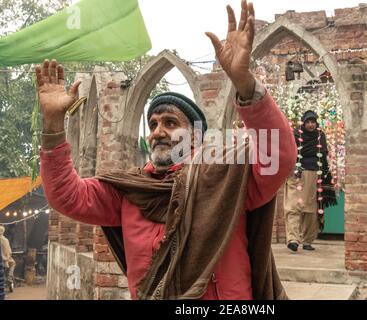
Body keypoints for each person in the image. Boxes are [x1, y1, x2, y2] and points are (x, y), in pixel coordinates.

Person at [36, 0, 297, 300]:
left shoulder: (228, 179)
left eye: (171, 123)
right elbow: (67, 197)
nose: (158, 131)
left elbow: (279, 157)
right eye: (154, 123)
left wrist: (244, 83)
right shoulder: (129, 190)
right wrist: (53, 126)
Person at [284, 110, 336, 252]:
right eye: (308, 122)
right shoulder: (295, 135)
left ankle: (307, 240)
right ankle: (293, 239)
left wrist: (324, 176)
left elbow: (323, 156)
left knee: (310, 209)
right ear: (303, 122)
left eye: (313, 122)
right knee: (293, 206)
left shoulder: (320, 136)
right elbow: (288, 152)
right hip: (296, 174)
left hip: (314, 174)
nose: (311, 125)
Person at [0, 225, 15, 290]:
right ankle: (9, 278)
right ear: (3, 231)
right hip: (4, 260)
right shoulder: (5, 240)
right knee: (13, 263)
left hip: (2, 259)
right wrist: (7, 257)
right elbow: (9, 251)